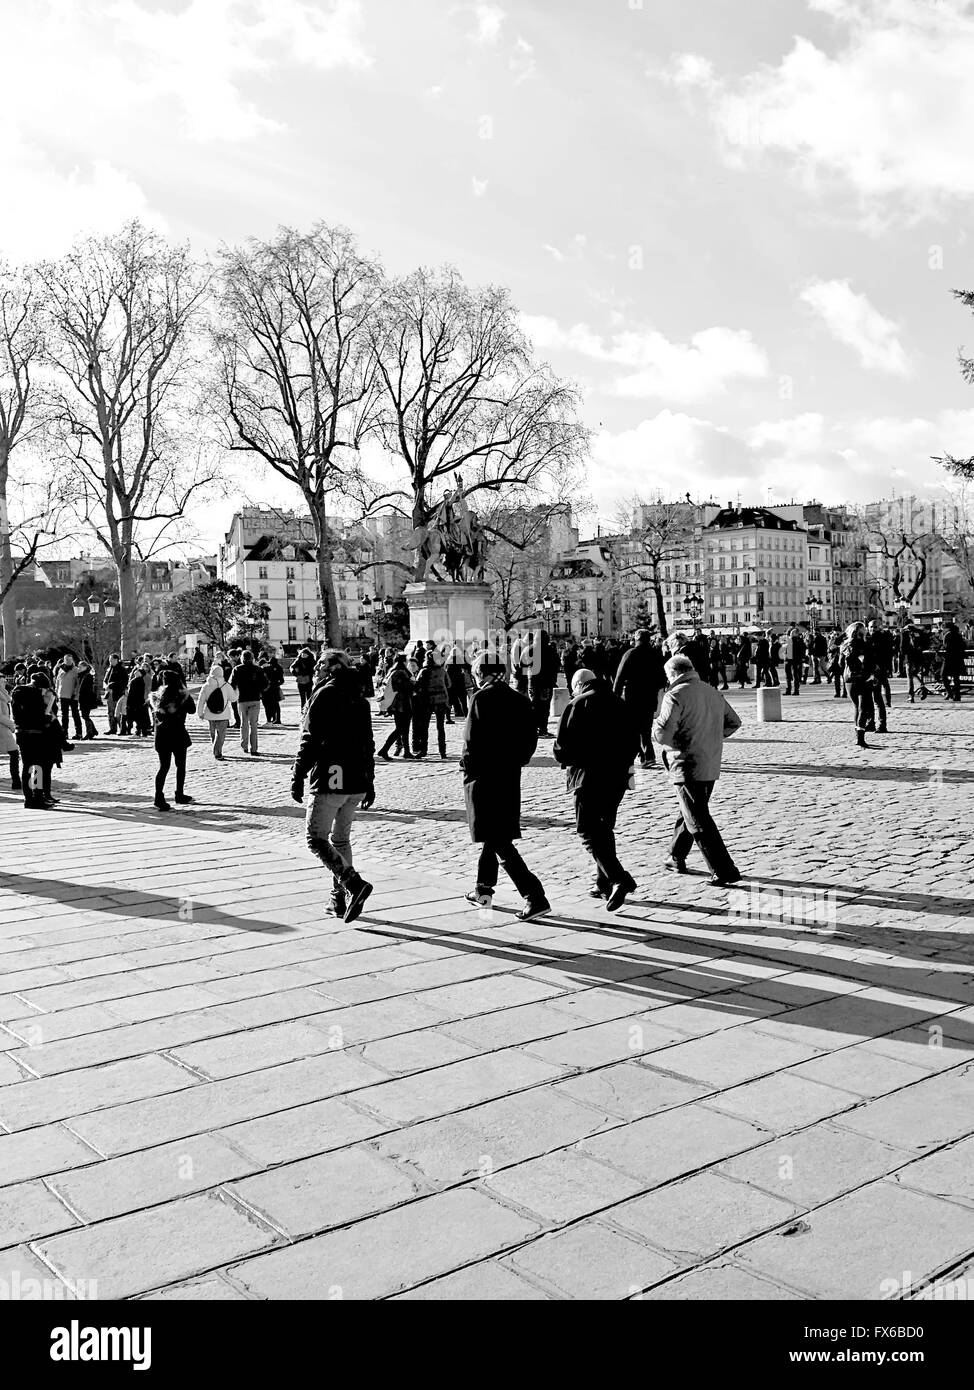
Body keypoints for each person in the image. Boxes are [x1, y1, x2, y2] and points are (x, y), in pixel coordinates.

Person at [461, 651, 550, 920]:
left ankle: (534, 896)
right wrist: (516, 761)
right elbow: (530, 740)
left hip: (484, 777)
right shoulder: (519, 699)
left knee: (498, 839)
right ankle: (483, 889)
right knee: (495, 833)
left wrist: (467, 769)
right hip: (509, 775)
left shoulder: (481, 698)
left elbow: (470, 743)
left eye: (476, 673)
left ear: (482, 674)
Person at [291, 648, 375, 922]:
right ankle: (339, 898)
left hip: (332, 776)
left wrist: (298, 774)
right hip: (357, 779)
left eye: (321, 664)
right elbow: (368, 743)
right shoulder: (360, 698)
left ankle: (352, 883)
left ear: (334, 668)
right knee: (341, 840)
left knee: (316, 838)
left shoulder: (325, 694)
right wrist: (370, 780)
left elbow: (310, 740)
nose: (316, 667)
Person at [652, 653, 742, 886]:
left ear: (672, 674)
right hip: (710, 761)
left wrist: (673, 739)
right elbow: (734, 721)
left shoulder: (675, 695)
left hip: (686, 762)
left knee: (697, 818)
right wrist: (711, 737)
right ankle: (675, 855)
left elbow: (662, 734)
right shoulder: (711, 691)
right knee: (690, 811)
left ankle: (723, 869)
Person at [554, 667, 639, 910]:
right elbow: (636, 742)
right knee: (604, 829)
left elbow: (561, 749)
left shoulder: (578, 704)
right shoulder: (620, 703)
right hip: (618, 777)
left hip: (587, 777)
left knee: (588, 831)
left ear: (578, 686)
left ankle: (619, 878)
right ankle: (602, 883)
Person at [613, 628, 667, 767]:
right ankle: (647, 755)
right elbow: (662, 678)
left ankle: (644, 756)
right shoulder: (655, 654)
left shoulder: (630, 654)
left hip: (633, 696)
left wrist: (615, 695)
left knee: (634, 727)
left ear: (636, 639)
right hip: (650, 696)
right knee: (646, 727)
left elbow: (619, 677)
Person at [11, 673, 65, 809]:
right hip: (36, 735)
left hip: (22, 734)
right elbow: (39, 717)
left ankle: (29, 799)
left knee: (27, 767)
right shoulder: (34, 696)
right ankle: (37, 798)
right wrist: (47, 718)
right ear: (40, 687)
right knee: (38, 768)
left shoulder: (17, 692)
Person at [150, 671, 196, 811]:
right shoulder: (182, 695)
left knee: (163, 767)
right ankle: (179, 794)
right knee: (180, 766)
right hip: (177, 734)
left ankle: (159, 796)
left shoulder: (157, 697)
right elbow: (192, 710)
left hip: (162, 735)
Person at [839, 622, 876, 748]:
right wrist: (870, 674)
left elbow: (840, 664)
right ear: (860, 631)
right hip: (862, 678)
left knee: (856, 707)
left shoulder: (844, 645)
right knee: (863, 708)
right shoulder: (863, 645)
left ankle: (858, 735)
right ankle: (860, 738)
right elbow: (868, 661)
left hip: (848, 679)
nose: (866, 630)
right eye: (864, 629)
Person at [413, 650, 450, 759]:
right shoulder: (442, 671)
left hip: (427, 701)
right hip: (441, 700)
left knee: (425, 727)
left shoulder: (424, 671)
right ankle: (442, 751)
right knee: (440, 727)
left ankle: (423, 750)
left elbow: (417, 685)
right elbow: (449, 684)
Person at [230, 649, 267, 756]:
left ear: (242, 658)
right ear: (252, 658)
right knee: (254, 724)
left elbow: (232, 684)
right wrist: (258, 689)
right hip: (255, 698)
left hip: (242, 699)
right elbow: (265, 684)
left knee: (244, 723)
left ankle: (244, 745)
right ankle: (254, 748)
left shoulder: (237, 669)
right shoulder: (258, 669)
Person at [377, 654, 414, 760]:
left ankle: (407, 751)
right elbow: (407, 688)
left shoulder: (392, 671)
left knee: (403, 729)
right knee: (401, 729)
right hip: (403, 704)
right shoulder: (401, 673)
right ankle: (384, 750)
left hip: (395, 704)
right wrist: (414, 683)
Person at [196, 663, 236, 759]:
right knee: (221, 734)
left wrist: (200, 713)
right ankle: (218, 752)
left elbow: (201, 701)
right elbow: (233, 699)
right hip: (223, 714)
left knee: (213, 734)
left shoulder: (206, 686)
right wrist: (237, 691)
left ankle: (216, 749)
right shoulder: (226, 685)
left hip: (210, 714)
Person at [53, 653, 83, 741]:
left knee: (75, 714)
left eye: (69, 660)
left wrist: (76, 694)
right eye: (66, 660)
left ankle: (79, 733)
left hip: (72, 696)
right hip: (62, 695)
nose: (68, 662)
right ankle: (64, 733)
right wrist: (56, 692)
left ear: (72, 660)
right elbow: (58, 683)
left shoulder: (76, 670)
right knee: (64, 715)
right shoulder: (60, 670)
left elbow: (78, 684)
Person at [0, 672, 21, 792]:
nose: (4, 682)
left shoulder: (4, 694)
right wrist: (12, 725)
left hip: (4, 728)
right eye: (2, 681)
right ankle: (16, 781)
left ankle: (16, 781)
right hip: (2, 729)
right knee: (14, 753)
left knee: (13, 753)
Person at [103, 653, 129, 734]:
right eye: (110, 660)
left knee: (118, 712)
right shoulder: (109, 669)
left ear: (117, 660)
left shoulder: (122, 670)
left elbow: (123, 682)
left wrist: (111, 685)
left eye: (112, 660)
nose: (110, 661)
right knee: (110, 712)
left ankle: (123, 728)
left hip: (118, 693)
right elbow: (105, 680)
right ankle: (112, 728)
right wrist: (106, 686)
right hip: (109, 693)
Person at [942, 619, 967, 702]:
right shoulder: (958, 635)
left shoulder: (947, 635)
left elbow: (946, 647)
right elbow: (964, 645)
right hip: (958, 659)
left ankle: (949, 692)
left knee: (943, 675)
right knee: (956, 678)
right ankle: (957, 695)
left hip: (949, 658)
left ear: (947, 628)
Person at [76, 660, 99, 739]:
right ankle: (93, 731)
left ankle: (90, 732)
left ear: (85, 667)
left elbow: (85, 688)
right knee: (85, 715)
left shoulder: (87, 676)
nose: (79, 668)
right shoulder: (81, 675)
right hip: (82, 698)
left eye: (80, 667)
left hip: (86, 698)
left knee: (85, 715)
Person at [290, 648, 316, 712]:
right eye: (302, 654)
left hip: (308, 681)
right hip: (300, 681)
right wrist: (296, 674)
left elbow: (314, 670)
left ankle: (309, 710)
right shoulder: (298, 660)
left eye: (304, 654)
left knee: (309, 697)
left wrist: (309, 674)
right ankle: (303, 710)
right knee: (302, 698)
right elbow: (292, 668)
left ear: (308, 655)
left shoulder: (312, 661)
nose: (303, 655)